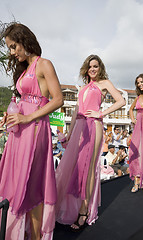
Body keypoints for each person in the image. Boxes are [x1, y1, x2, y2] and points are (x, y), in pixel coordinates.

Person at [0, 23, 63, 240]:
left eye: (13, 46)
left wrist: (27, 117)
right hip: (19, 133)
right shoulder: (24, 69)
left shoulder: (44, 64)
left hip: (35, 131)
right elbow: (23, 101)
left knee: (33, 187)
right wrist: (10, 116)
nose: (11, 52)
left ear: (24, 40)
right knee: (17, 181)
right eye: (9, 48)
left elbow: (58, 100)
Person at [55, 54, 125, 231]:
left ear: (100, 68)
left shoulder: (104, 84)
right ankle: (71, 205)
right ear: (86, 69)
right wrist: (70, 133)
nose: (92, 69)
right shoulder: (84, 87)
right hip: (79, 126)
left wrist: (101, 113)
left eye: (96, 66)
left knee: (89, 169)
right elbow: (77, 110)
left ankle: (84, 210)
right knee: (74, 168)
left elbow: (121, 101)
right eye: (90, 66)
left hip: (93, 127)